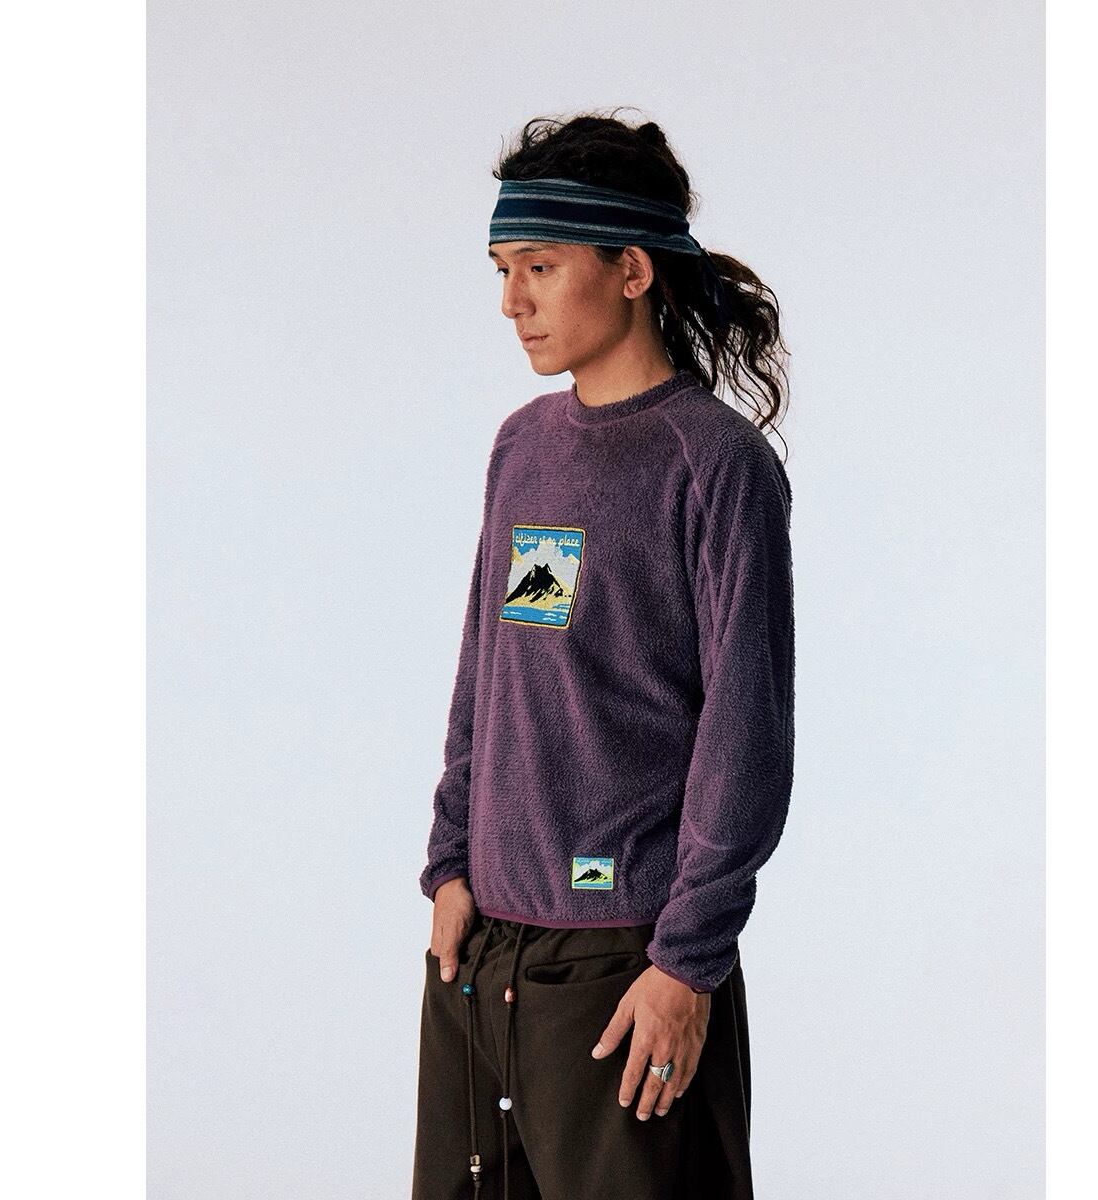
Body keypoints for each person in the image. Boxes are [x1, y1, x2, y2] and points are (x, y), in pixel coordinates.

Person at [411, 109, 796, 1200]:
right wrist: (451, 863)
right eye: (502, 269)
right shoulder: (523, 447)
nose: (512, 301)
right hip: (482, 952)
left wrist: (687, 962)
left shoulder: (714, 464)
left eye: (539, 265)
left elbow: (745, 730)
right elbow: (492, 669)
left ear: (632, 269)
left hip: (625, 963)